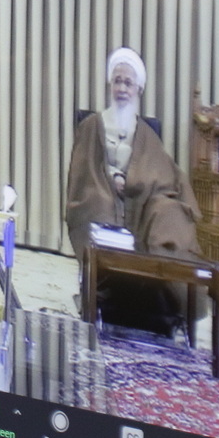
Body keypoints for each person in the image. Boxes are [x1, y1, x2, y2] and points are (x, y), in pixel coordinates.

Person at [63, 47, 200, 332]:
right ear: (110, 85)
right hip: (102, 195)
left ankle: (164, 299)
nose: (122, 89)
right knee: (98, 204)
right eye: (117, 81)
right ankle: (104, 293)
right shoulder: (92, 125)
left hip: (142, 203)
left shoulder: (147, 134)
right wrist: (112, 179)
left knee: (170, 214)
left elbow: (162, 175)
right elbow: (83, 172)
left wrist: (134, 180)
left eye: (128, 83)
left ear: (138, 89)